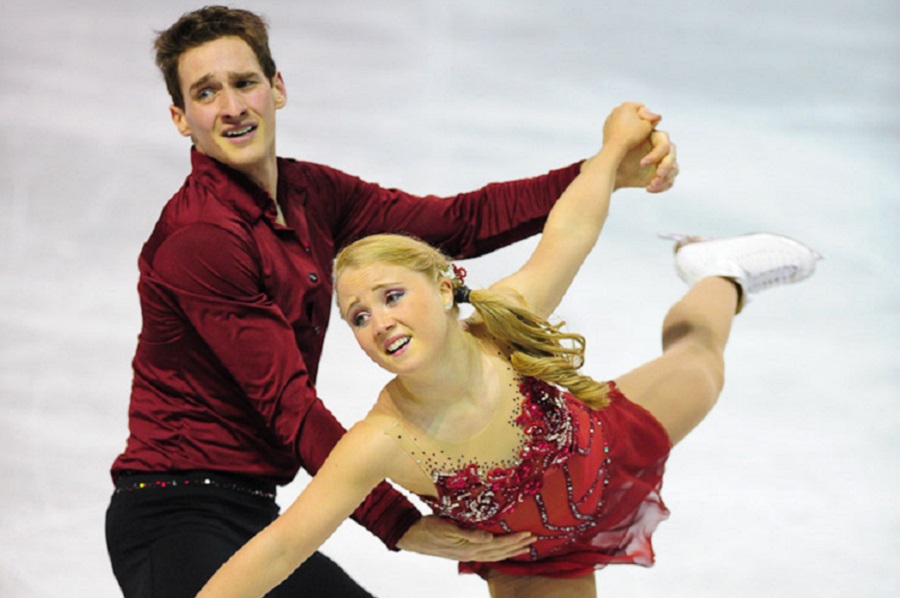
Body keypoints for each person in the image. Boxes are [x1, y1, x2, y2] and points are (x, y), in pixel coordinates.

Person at [104, 6, 680, 598]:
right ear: (180, 116)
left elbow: (458, 221)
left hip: (249, 510)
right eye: (206, 92)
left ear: (276, 88)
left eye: (244, 82)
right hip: (173, 515)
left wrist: (602, 173)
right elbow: (288, 407)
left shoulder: (311, 193)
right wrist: (396, 521)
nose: (231, 107)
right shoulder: (202, 238)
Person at [194, 101, 822, 597]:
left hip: (612, 441)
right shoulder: (383, 439)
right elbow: (280, 547)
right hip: (533, 560)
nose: (378, 322)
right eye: (358, 315)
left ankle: (720, 273)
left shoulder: (500, 325)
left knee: (701, 360)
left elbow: (571, 229)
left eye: (391, 296)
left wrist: (609, 154)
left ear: (444, 289)